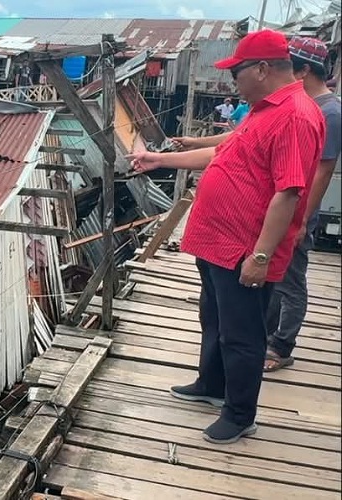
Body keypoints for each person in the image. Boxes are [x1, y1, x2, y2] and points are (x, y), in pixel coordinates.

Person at [127, 30, 325, 444]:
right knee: (214, 320)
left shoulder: (295, 115)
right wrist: (157, 159)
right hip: (216, 241)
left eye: (237, 72)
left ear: (262, 69)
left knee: (243, 334)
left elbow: (289, 191)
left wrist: (262, 256)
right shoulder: (260, 109)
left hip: (244, 248)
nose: (233, 80)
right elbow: (219, 155)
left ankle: (239, 414)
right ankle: (211, 384)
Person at [266, 37, 341, 371]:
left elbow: (323, 172)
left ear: (305, 70)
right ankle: (267, 336)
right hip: (285, 207)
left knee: (291, 279)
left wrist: (302, 220)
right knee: (276, 275)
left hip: (299, 211)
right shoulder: (308, 106)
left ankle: (282, 346)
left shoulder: (330, 112)